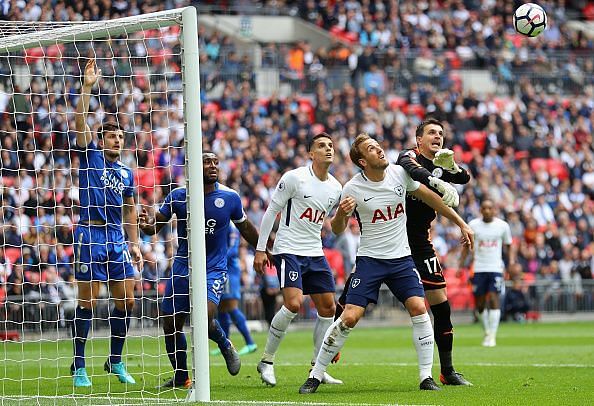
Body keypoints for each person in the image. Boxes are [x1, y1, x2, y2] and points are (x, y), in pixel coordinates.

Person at [299, 133, 474, 394]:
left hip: (401, 259)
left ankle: (426, 376)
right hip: (370, 261)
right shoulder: (353, 188)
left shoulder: (398, 174)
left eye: (378, 146)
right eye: (372, 149)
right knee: (349, 317)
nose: (380, 150)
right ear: (362, 161)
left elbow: (431, 198)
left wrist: (460, 222)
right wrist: (342, 215)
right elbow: (336, 229)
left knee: (419, 308)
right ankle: (316, 374)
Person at [138, 152, 260, 388]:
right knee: (170, 323)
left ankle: (224, 343)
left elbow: (246, 228)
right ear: (194, 166)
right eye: (207, 161)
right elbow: (155, 227)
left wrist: (264, 249)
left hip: (213, 267)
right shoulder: (178, 196)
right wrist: (146, 226)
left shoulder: (230, 197)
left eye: (216, 161)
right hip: (183, 265)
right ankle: (181, 376)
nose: (213, 165)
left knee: (203, 318)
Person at [71, 58, 143, 387]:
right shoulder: (90, 156)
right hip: (90, 233)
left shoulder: (128, 173)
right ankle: (79, 364)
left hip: (116, 238)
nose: (116, 140)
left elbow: (130, 210)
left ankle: (115, 360)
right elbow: (79, 122)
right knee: (88, 301)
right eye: (111, 136)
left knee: (126, 301)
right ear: (102, 140)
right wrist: (87, 88)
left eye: (120, 136)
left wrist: (135, 243)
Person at [253, 133, 343, 387]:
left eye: (331, 146)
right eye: (321, 146)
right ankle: (267, 361)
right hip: (288, 249)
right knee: (293, 304)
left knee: (328, 308)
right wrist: (261, 249)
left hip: (315, 251)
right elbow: (272, 211)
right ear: (311, 154)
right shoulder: (295, 178)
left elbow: (334, 223)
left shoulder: (336, 187)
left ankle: (318, 366)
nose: (328, 149)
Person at [395, 118, 472, 385]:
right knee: (351, 303)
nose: (437, 136)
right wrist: (438, 182)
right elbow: (413, 171)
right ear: (419, 139)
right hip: (391, 240)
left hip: (420, 243)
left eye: (441, 133)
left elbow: (464, 178)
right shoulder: (408, 156)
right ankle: (322, 360)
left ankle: (447, 371)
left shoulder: (442, 163)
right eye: (431, 132)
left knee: (442, 306)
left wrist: (452, 167)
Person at [459, 198, 514, 347]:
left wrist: (512, 263)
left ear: (494, 210)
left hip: (496, 267)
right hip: (479, 268)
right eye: (484, 208)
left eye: (490, 208)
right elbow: (466, 246)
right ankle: (487, 332)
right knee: (480, 303)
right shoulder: (473, 225)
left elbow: (509, 245)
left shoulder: (503, 226)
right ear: (481, 210)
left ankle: (492, 336)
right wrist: (460, 265)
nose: (487, 211)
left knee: (494, 299)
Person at [211, 223, 258, 356]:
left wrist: (213, 255)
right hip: (221, 270)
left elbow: (232, 249)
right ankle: (225, 345)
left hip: (229, 271)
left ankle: (250, 343)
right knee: (221, 308)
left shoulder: (230, 226)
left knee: (231, 307)